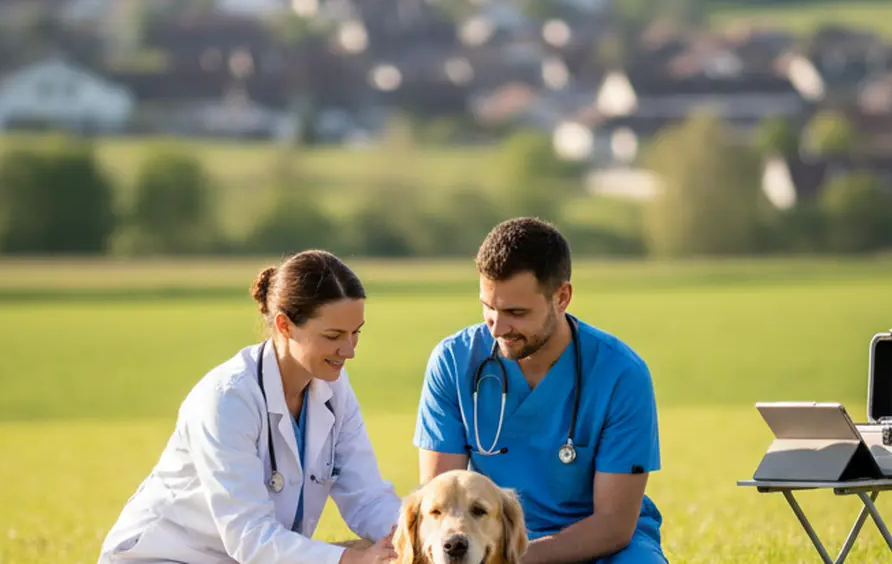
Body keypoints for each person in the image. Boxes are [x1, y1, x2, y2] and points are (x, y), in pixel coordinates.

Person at [99, 250, 401, 564]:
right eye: (333, 336)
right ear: (285, 326)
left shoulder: (334, 387)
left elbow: (367, 497)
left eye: (356, 333)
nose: (349, 350)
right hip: (162, 558)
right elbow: (250, 537)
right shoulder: (227, 398)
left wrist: (418, 535)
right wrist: (354, 561)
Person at [412, 217, 666, 563]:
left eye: (516, 312)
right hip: (488, 541)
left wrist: (517, 559)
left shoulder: (622, 374)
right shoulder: (453, 362)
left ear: (562, 298)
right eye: (489, 307)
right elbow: (442, 503)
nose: (498, 327)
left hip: (600, 546)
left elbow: (614, 525)